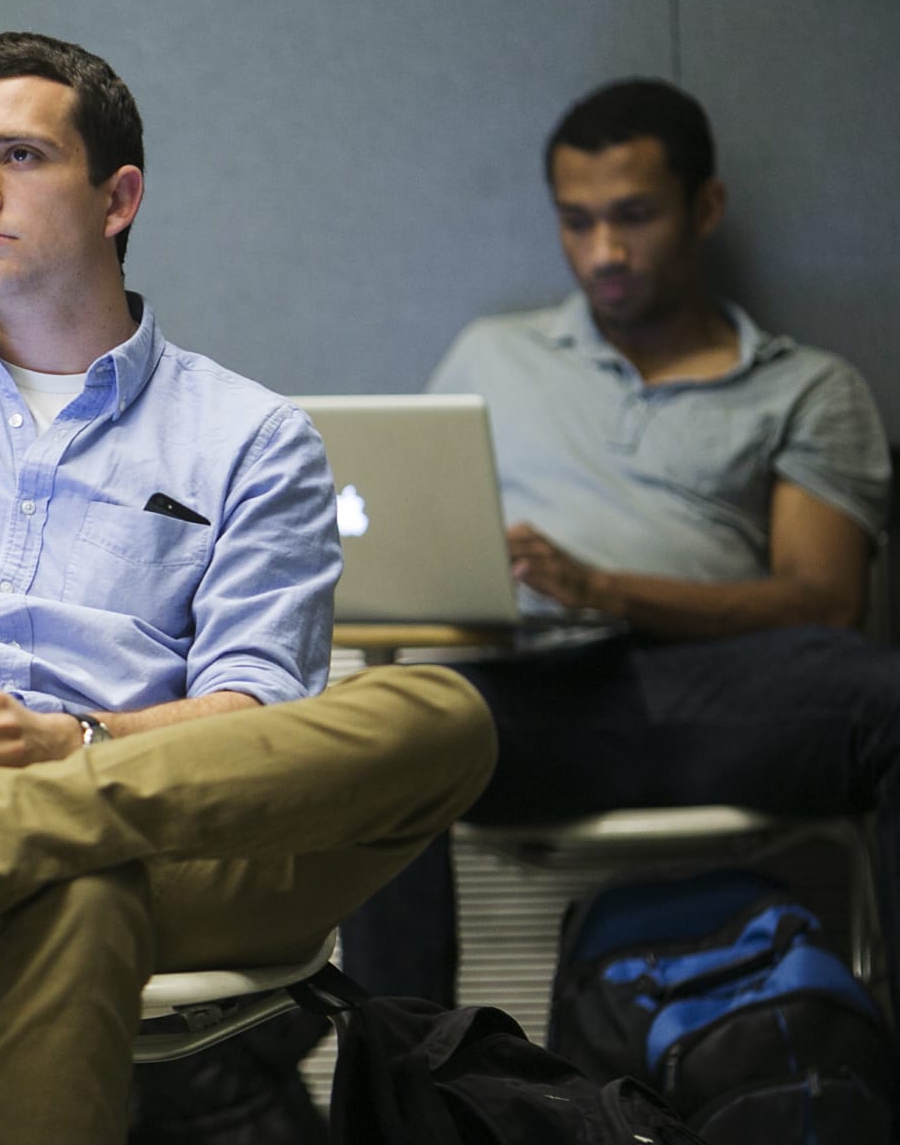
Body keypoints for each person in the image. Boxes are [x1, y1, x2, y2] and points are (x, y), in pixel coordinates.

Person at [0, 31, 497, 1145]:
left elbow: (257, 715)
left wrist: (71, 746)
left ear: (119, 196)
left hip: (186, 826)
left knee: (448, 715)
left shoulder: (252, 437)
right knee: (77, 882)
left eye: (16, 154)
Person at [338, 78, 900, 1020]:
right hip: (539, 701)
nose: (603, 252)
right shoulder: (492, 355)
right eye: (577, 221)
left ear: (704, 207)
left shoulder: (806, 386)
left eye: (633, 217)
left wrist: (602, 587)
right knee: (371, 738)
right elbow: (414, 530)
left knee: (886, 694)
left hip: (734, 697)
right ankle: (407, 1094)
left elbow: (824, 600)